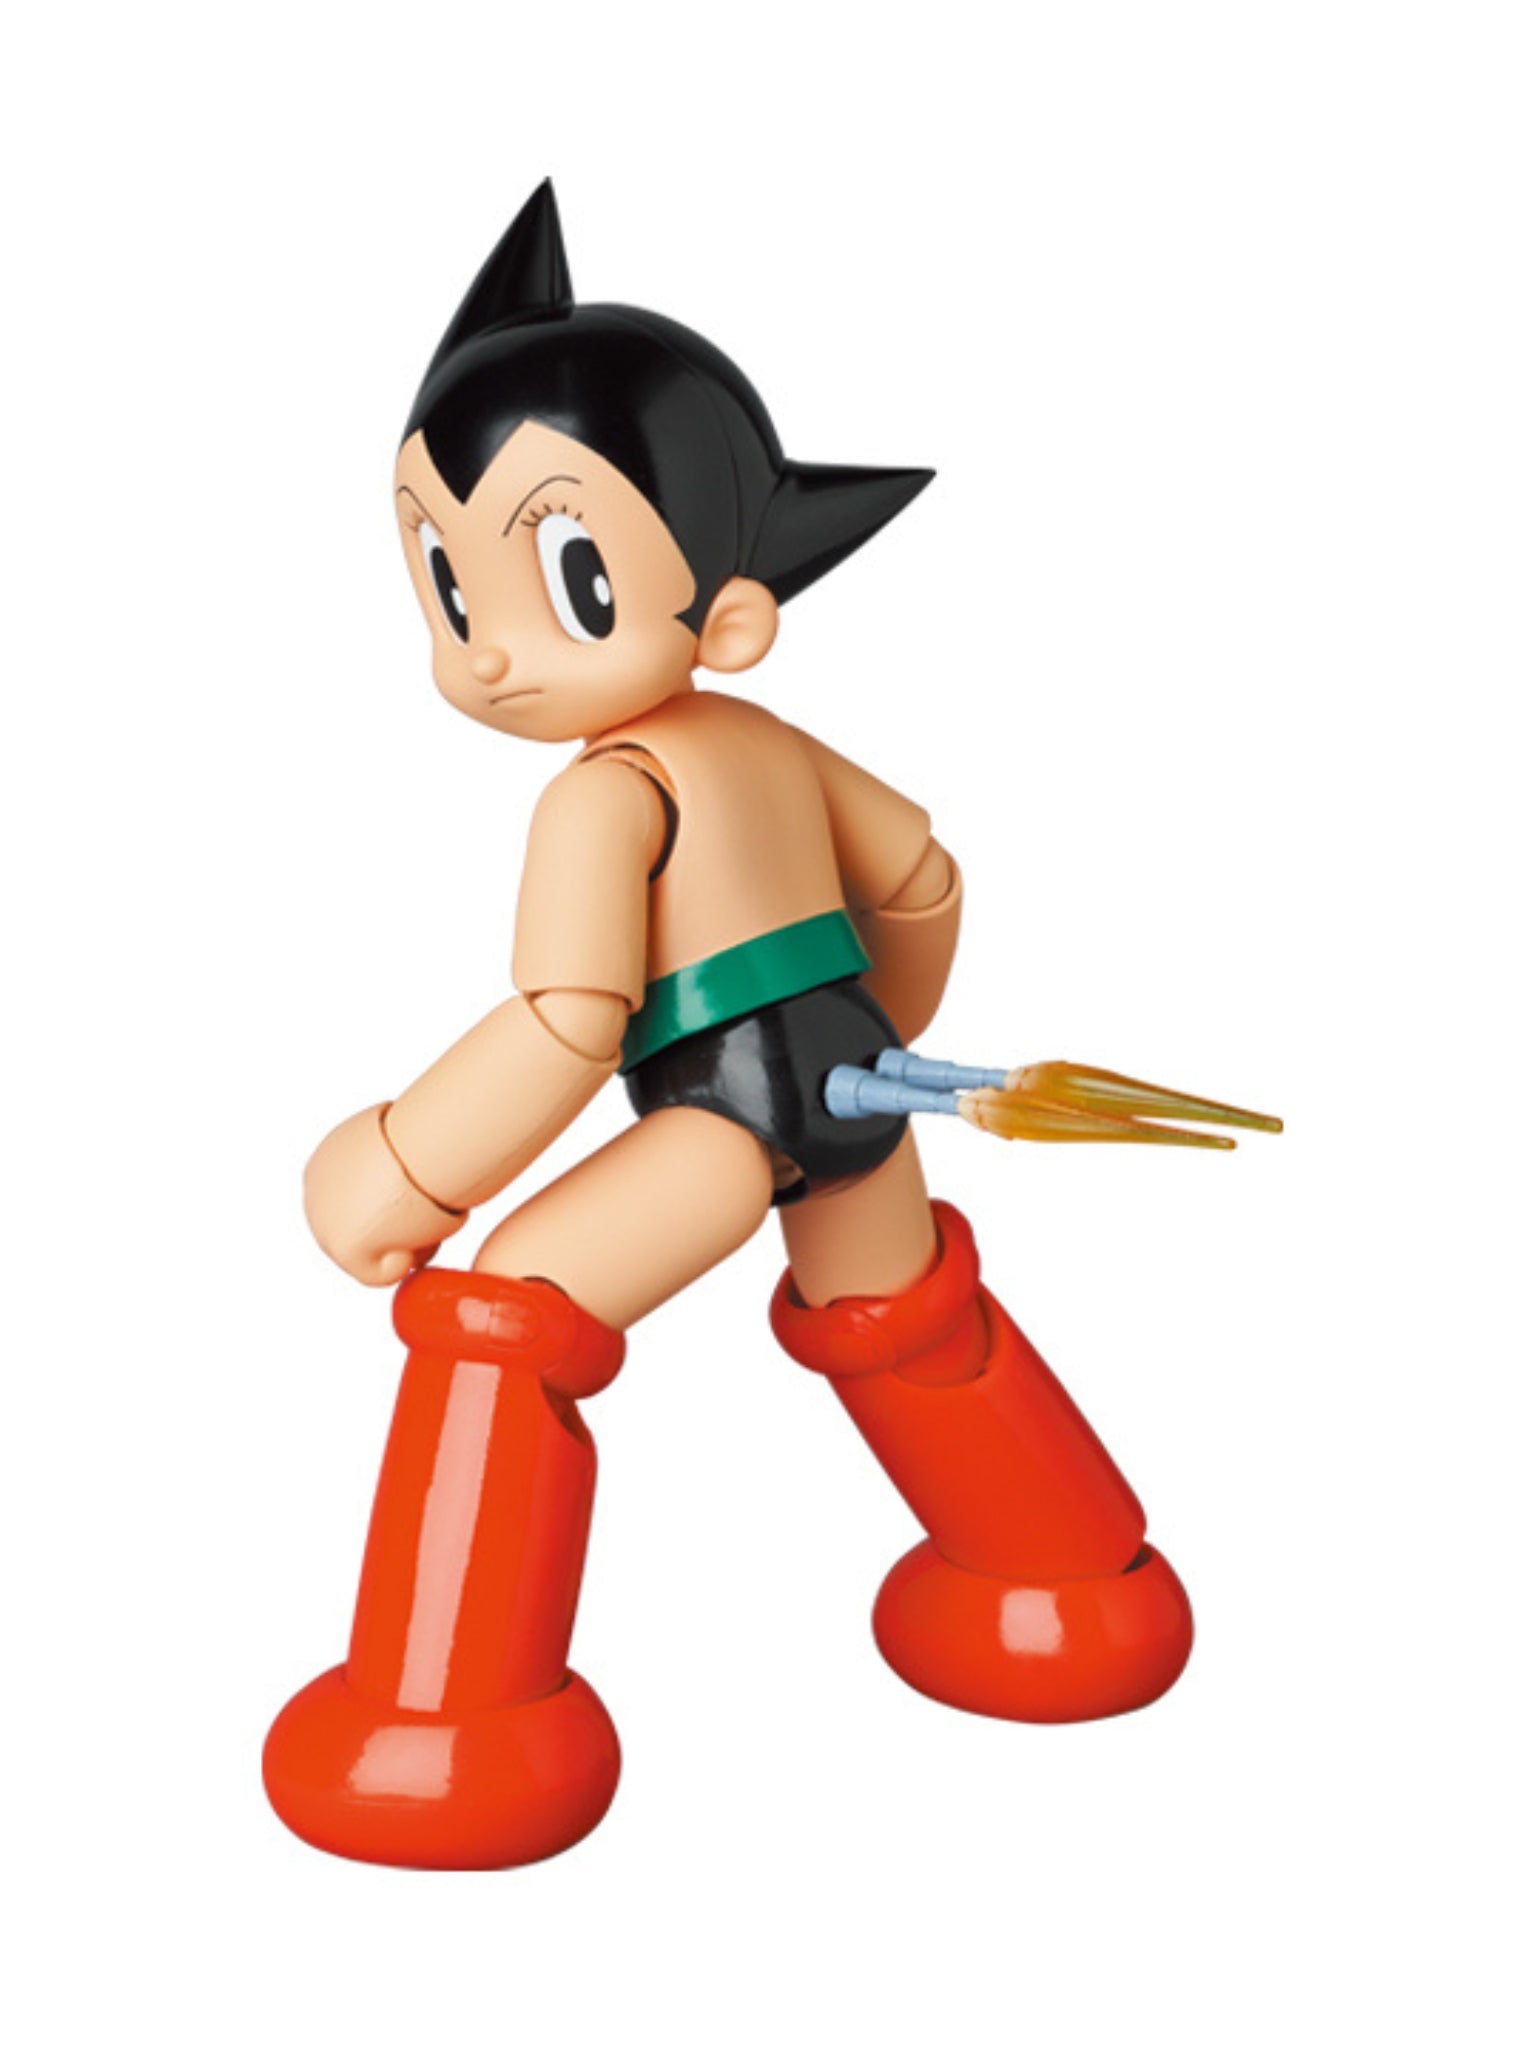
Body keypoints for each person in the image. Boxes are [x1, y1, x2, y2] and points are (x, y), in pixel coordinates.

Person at [263, 183, 1196, 1870]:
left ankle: (447, 1718)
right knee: (896, 1316)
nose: (487, 657)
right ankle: (1060, 1584)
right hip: (852, 1091)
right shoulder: (771, 746)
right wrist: (869, 1051)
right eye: (449, 583)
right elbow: (922, 879)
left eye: (563, 578)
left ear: (735, 614)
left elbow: (568, 1023)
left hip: (715, 1121)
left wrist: (401, 1168)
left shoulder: (608, 792)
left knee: (502, 1323)